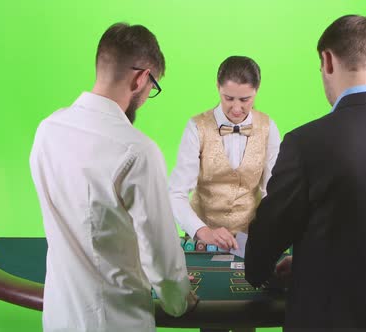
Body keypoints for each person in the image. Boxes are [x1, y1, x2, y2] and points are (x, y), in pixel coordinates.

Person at [245, 15, 366, 332]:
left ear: (327, 60)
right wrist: (313, 259)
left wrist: (257, 272)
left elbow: (269, 235)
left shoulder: (305, 143)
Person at [29, 23, 198, 332]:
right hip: (117, 322)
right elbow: (159, 252)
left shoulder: (47, 130)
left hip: (59, 317)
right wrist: (179, 299)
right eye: (153, 88)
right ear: (141, 78)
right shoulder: (137, 150)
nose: (148, 96)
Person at [169, 55, 281, 251]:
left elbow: (273, 191)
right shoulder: (196, 126)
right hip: (202, 241)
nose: (236, 108)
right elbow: (176, 192)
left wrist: (265, 230)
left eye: (245, 99)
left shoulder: (268, 127)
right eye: (228, 98)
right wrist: (202, 231)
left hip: (251, 238)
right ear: (218, 87)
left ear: (257, 89)